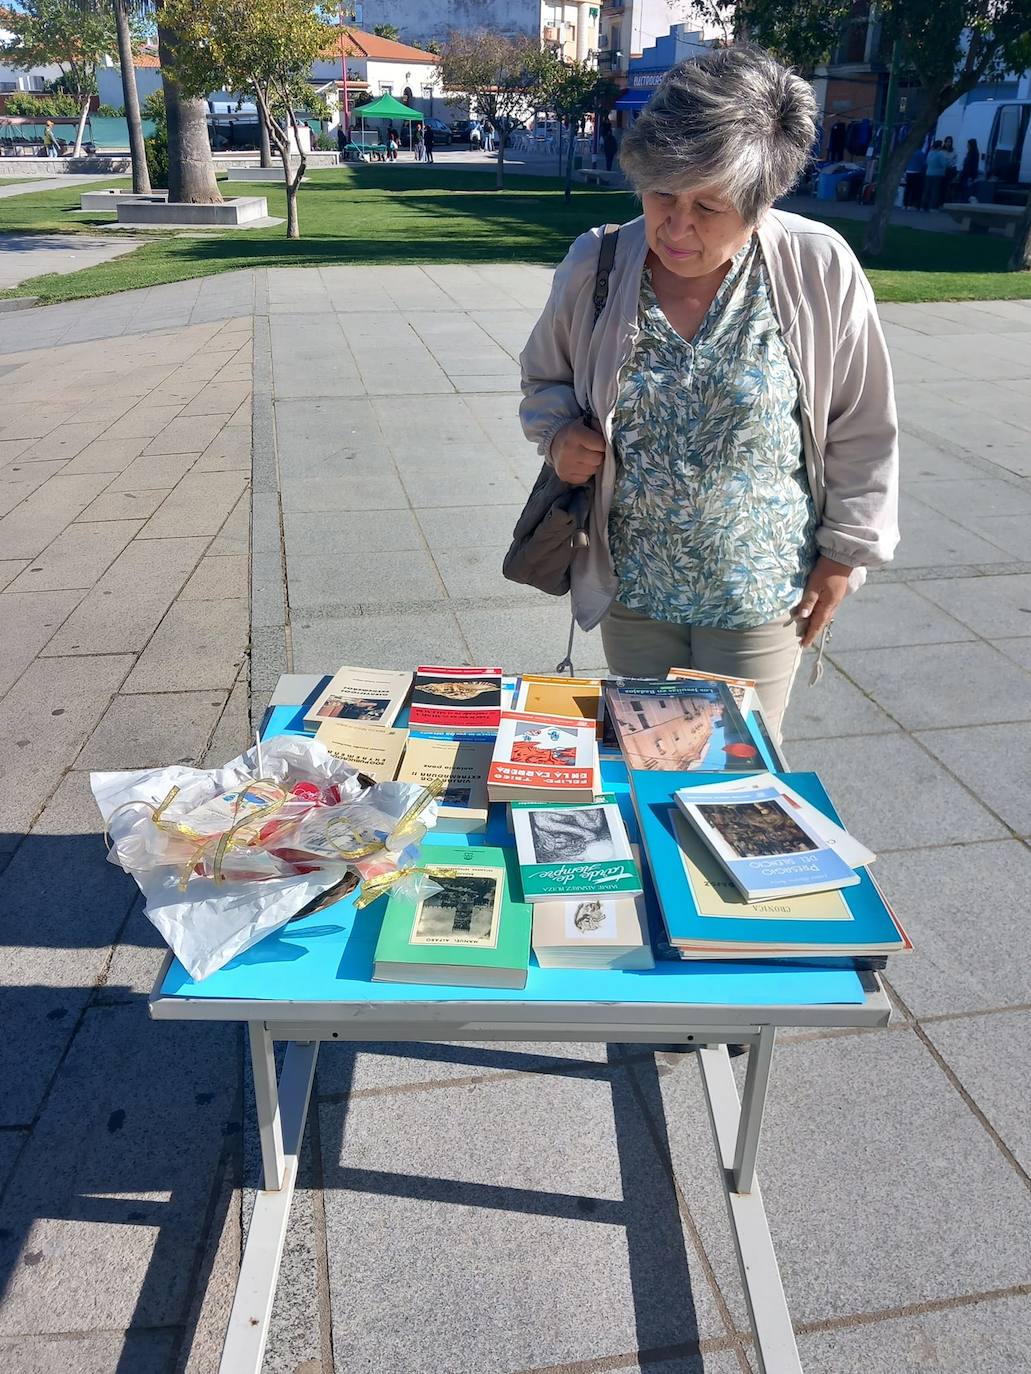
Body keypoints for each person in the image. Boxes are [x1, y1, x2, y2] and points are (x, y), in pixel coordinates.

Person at [518, 46, 899, 741]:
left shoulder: (817, 267)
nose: (675, 227)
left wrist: (844, 555)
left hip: (760, 594)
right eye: (661, 195)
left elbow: (862, 426)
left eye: (707, 206)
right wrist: (558, 435)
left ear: (760, 202)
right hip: (632, 588)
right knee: (643, 763)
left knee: (734, 779)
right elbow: (543, 379)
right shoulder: (597, 263)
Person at [922, 140, 948, 210]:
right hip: (937, 174)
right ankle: (932, 206)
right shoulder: (941, 154)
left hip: (928, 173)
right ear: (939, 147)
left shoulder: (930, 153)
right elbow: (944, 164)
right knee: (935, 191)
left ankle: (923, 206)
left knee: (927, 190)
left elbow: (927, 162)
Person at [903, 143, 926, 209]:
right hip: (917, 172)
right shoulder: (921, 153)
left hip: (908, 171)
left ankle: (905, 204)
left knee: (907, 189)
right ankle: (911, 204)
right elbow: (923, 164)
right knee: (914, 189)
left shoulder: (909, 152)